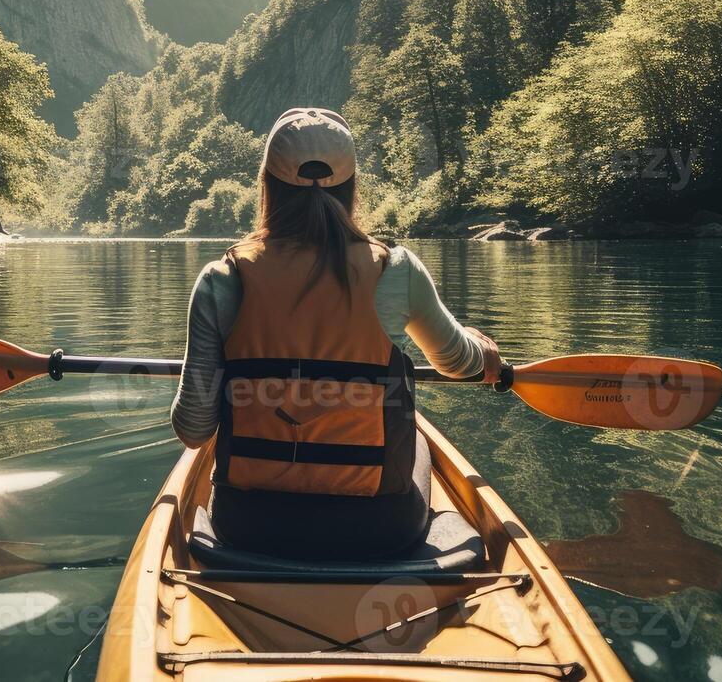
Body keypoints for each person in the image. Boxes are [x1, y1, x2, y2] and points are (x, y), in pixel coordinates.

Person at [170, 107, 503, 560]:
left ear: (266, 186)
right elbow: (458, 363)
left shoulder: (221, 278)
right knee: (419, 438)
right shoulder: (395, 269)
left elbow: (194, 428)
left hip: (249, 525)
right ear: (352, 189)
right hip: (378, 529)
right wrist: (484, 354)